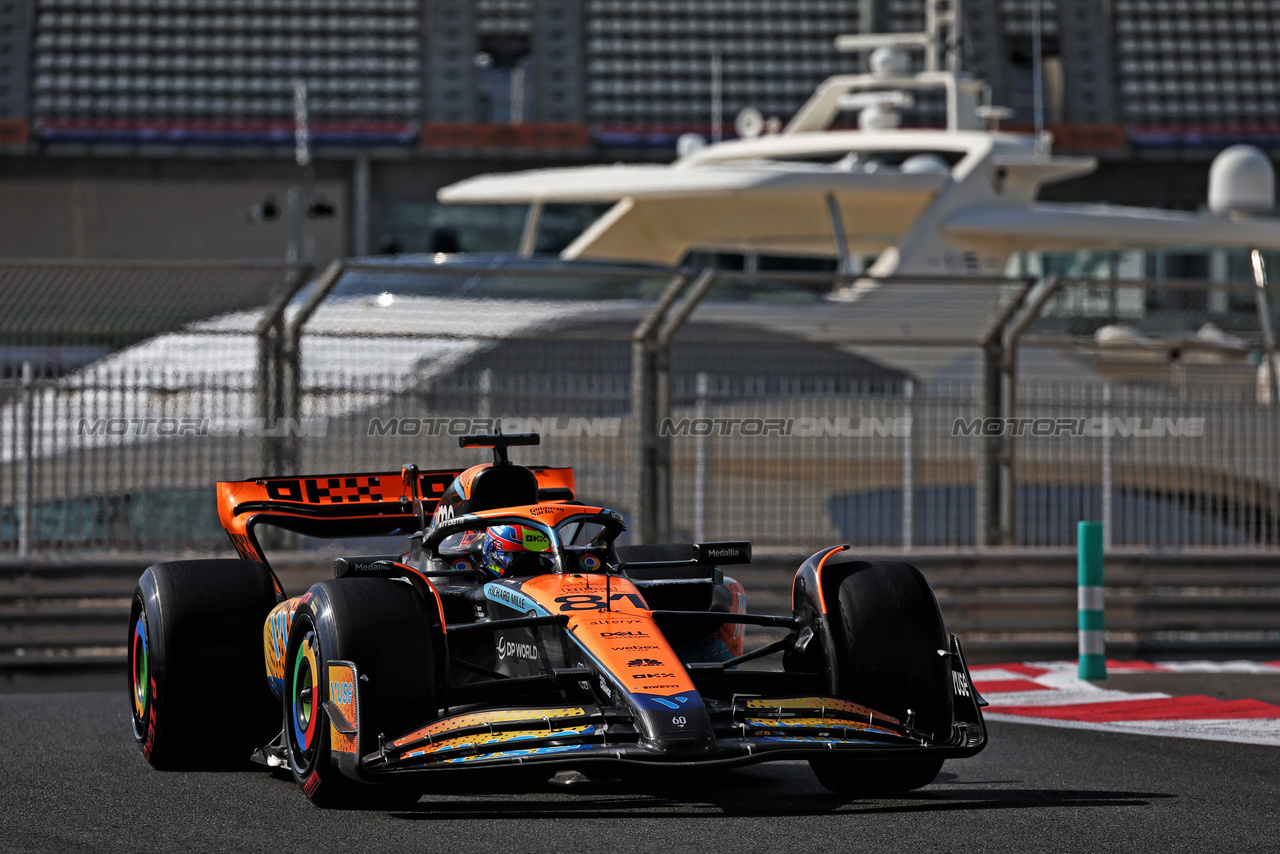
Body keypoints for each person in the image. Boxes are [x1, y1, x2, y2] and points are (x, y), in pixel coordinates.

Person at [482, 524, 554, 578]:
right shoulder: (479, 581)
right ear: (490, 551)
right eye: (517, 560)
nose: (527, 570)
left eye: (541, 560)